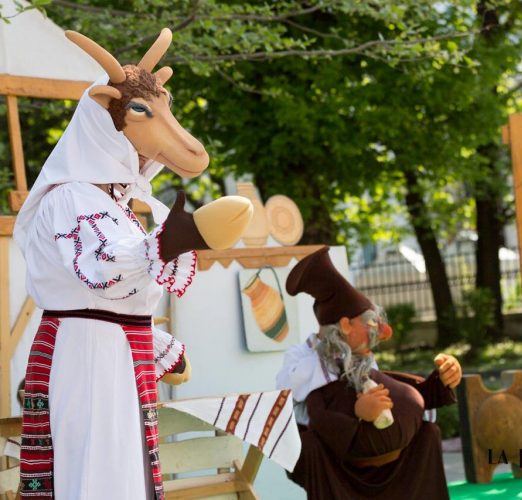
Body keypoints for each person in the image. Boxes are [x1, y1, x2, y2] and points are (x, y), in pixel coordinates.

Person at [13, 29, 251, 500]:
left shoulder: (110, 203)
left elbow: (108, 297)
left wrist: (157, 346)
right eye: (141, 113)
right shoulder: (71, 197)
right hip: (89, 356)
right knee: (101, 470)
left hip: (111, 352)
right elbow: (102, 271)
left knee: (122, 466)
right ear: (107, 121)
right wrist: (176, 239)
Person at [276, 246, 462, 500]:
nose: (380, 332)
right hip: (337, 462)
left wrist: (441, 381)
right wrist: (356, 412)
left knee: (428, 433)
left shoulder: (361, 355)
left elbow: (383, 385)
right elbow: (294, 395)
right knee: (310, 446)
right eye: (370, 323)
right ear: (345, 325)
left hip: (386, 459)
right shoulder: (301, 357)